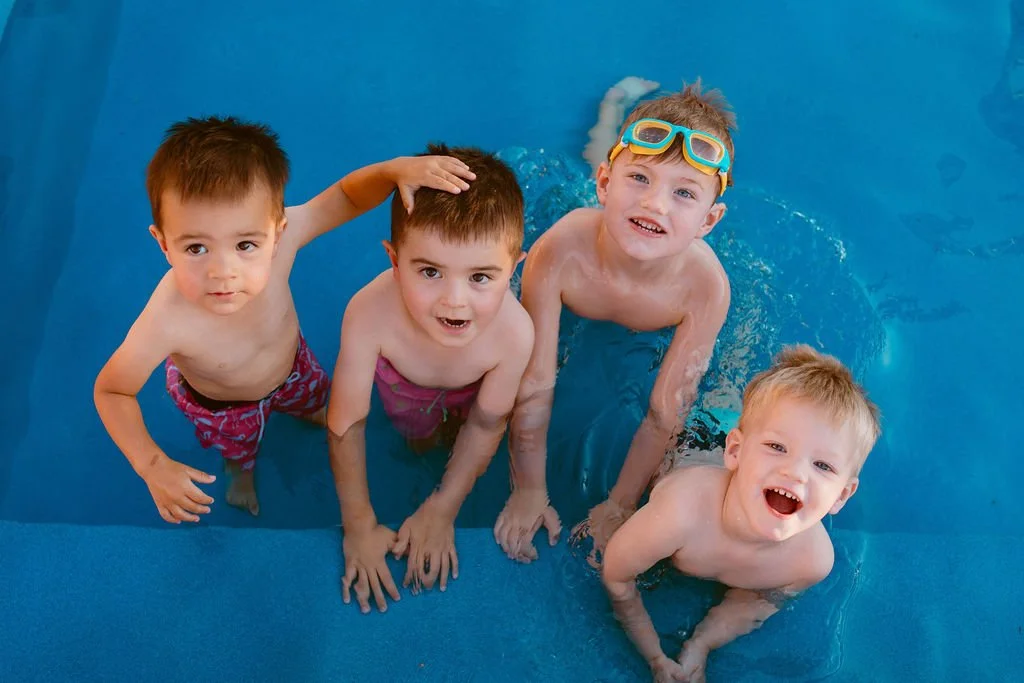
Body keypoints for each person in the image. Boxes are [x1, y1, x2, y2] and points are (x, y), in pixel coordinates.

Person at [94, 116, 474, 521]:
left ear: (277, 233)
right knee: (240, 448)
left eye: (245, 244)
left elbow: (345, 197)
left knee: (314, 400)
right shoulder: (166, 320)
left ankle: (305, 411)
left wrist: (391, 171)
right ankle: (240, 471)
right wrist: (152, 465)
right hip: (224, 405)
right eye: (196, 249)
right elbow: (112, 392)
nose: (224, 271)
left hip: (294, 367)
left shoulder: (285, 241)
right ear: (163, 243)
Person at [495, 79, 736, 564]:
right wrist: (529, 488)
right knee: (579, 172)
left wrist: (621, 504)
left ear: (709, 222)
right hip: (585, 235)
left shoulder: (705, 287)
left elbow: (666, 411)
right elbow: (535, 382)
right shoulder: (560, 250)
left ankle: (617, 118)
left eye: (685, 194)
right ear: (607, 185)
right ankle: (612, 109)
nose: (655, 204)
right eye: (639, 179)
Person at [325, 144, 534, 614]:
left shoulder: (515, 334)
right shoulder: (368, 313)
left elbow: (486, 424)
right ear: (394, 260)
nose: (454, 302)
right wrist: (358, 523)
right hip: (402, 385)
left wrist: (444, 508)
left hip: (473, 391)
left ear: (514, 267)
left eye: (481, 277)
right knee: (415, 439)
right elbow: (346, 423)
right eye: (430, 271)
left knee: (469, 433)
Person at [601, 345, 881, 682]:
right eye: (778, 448)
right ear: (734, 452)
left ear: (842, 495)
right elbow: (617, 576)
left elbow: (755, 603)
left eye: (822, 465)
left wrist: (701, 644)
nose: (796, 473)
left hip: (745, 452)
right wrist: (656, 657)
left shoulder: (812, 561)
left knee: (761, 419)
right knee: (713, 397)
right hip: (701, 442)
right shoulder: (680, 514)